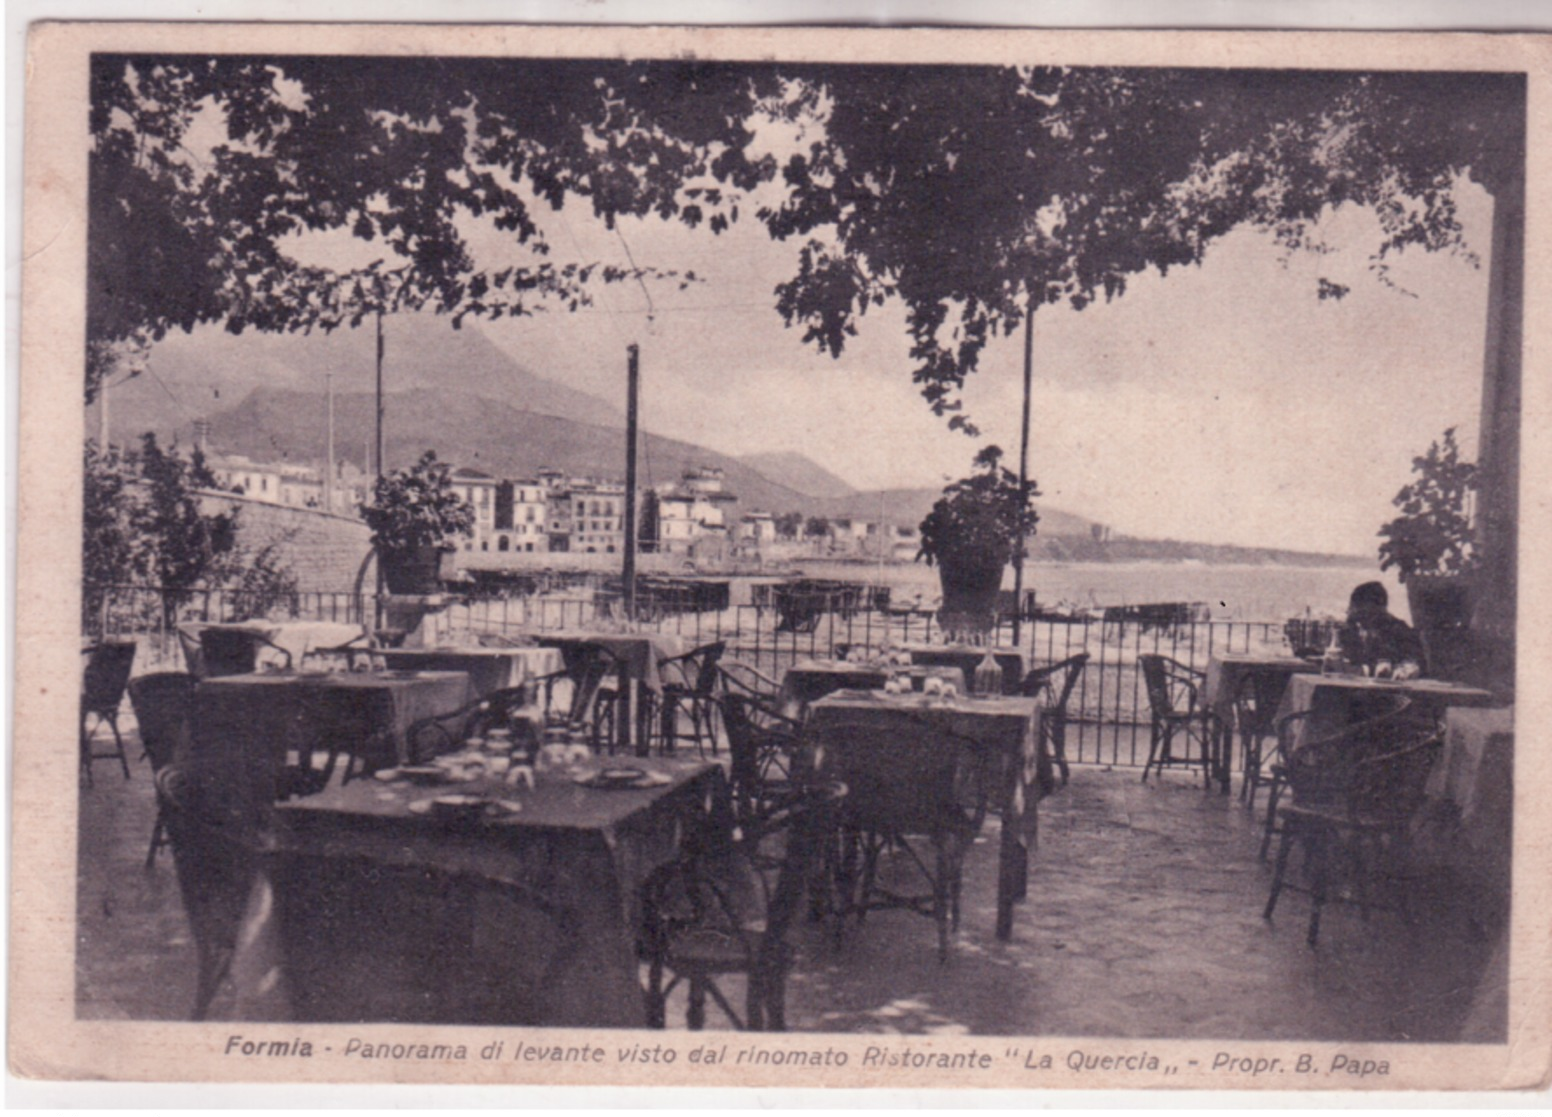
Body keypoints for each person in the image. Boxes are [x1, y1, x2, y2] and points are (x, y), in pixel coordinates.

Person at [1339, 581, 1425, 677]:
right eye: (1358, 610)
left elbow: (1415, 664)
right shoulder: (1348, 629)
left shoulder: (1401, 631)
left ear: (1382, 608)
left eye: (1368, 613)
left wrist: (1406, 670)